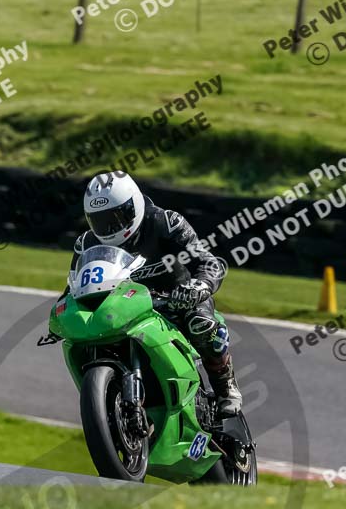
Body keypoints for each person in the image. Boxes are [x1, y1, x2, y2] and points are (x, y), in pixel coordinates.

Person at [65, 171, 242, 416]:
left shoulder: (165, 223)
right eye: (101, 221)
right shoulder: (86, 244)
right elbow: (74, 289)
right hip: (123, 309)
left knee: (201, 324)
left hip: (176, 299)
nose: (110, 227)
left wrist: (199, 287)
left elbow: (209, 263)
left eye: (116, 217)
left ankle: (225, 387)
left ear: (134, 204)